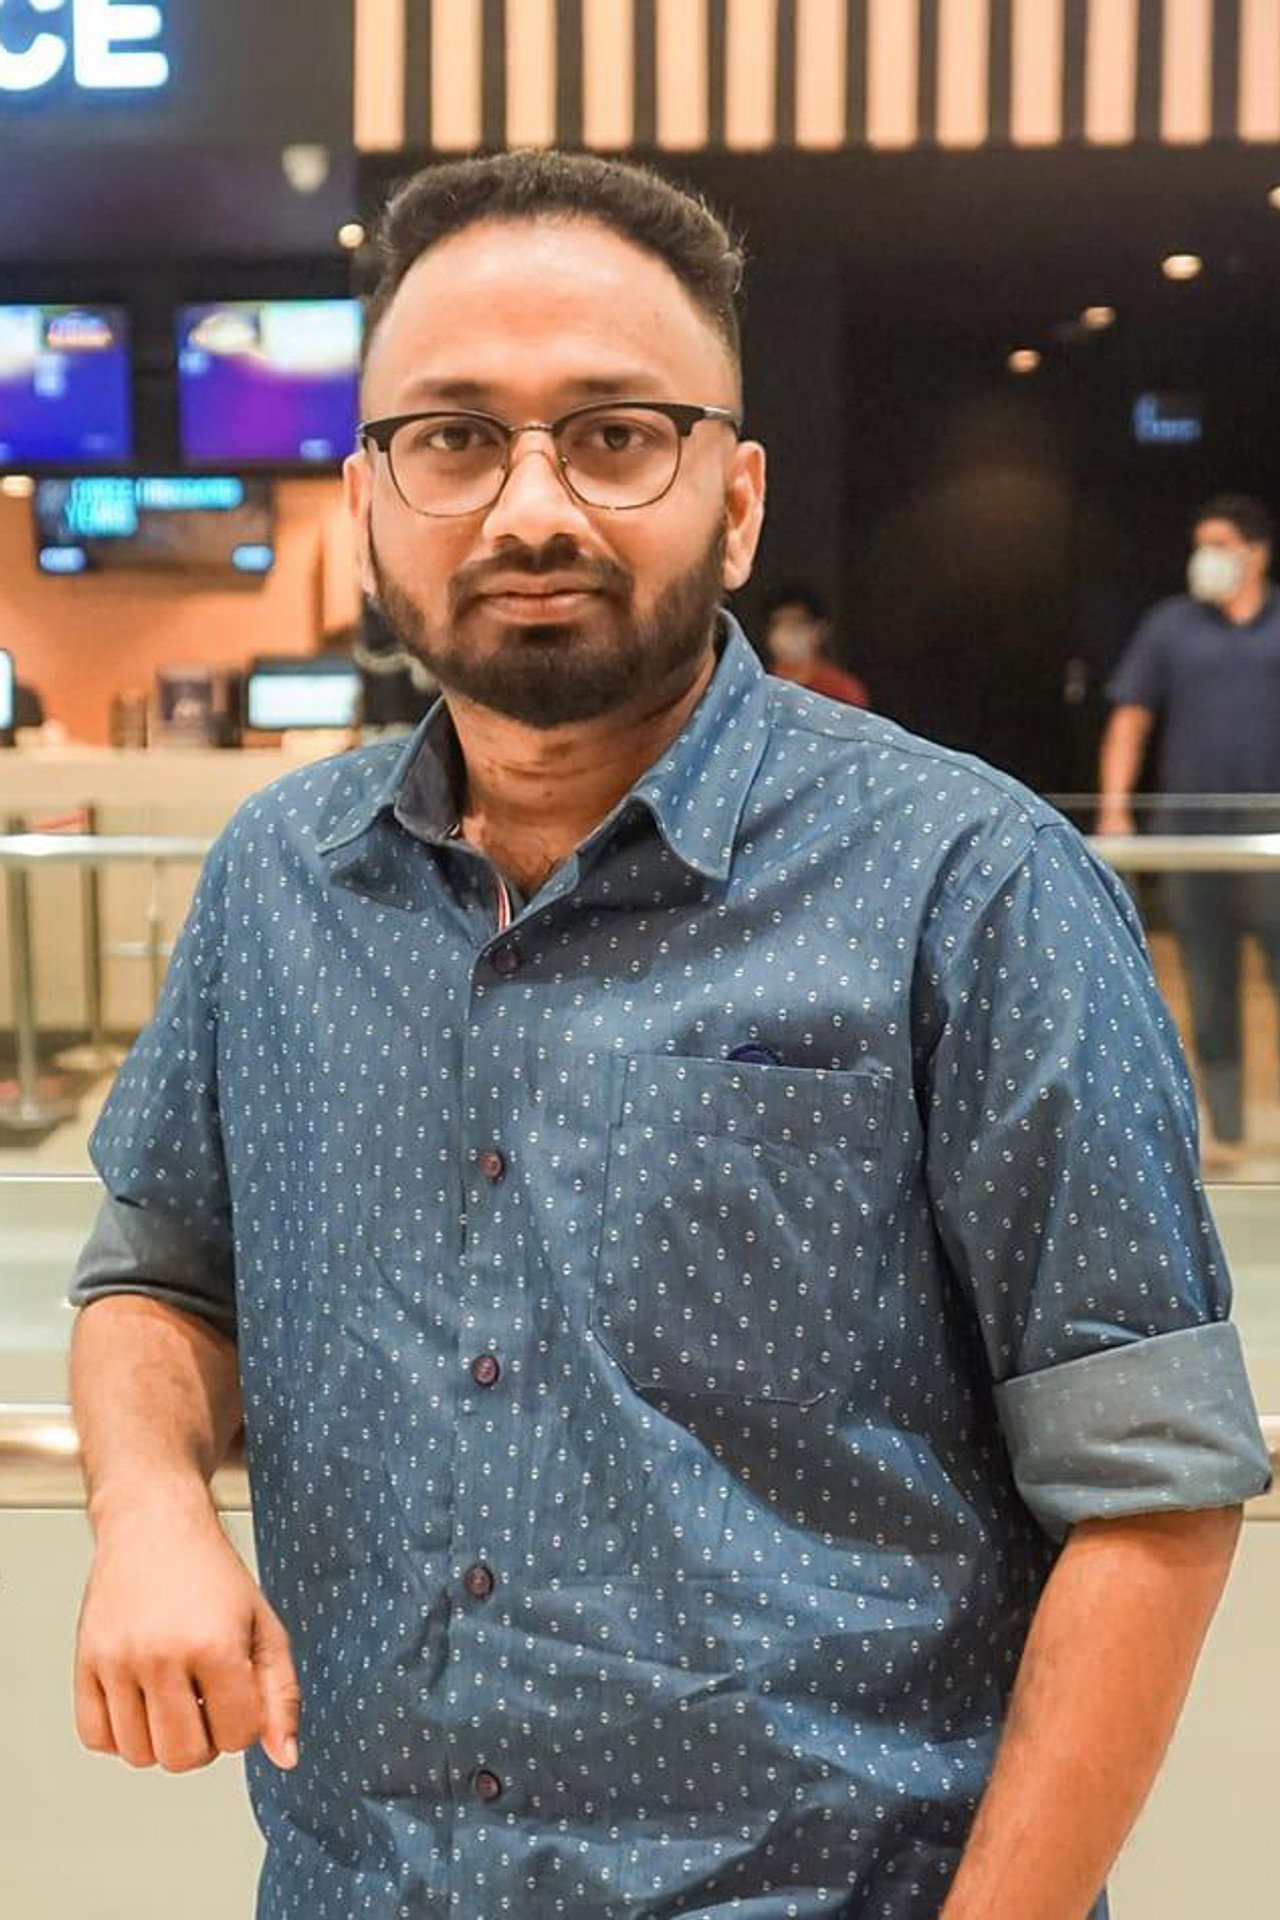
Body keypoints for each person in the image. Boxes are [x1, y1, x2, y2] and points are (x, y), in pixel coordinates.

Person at [68, 153, 1269, 1920]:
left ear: (739, 498)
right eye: (453, 437)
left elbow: (1150, 1491)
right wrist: (150, 1506)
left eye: (615, 435)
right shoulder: (279, 883)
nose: (530, 506)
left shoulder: (969, 884)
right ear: (371, 498)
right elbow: (156, 1274)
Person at [1099, 494, 1280, 1169]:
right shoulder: (1171, 625)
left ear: (1256, 552)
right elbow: (1130, 719)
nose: (1205, 557)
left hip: (1272, 830)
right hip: (1191, 827)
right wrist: (1115, 808)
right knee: (1208, 981)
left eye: (1220, 544)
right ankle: (1225, 1131)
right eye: (1200, 544)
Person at [762, 581, 870, 705]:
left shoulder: (841, 689)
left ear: (820, 630)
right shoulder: (759, 684)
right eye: (778, 623)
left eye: (796, 623)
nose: (786, 632)